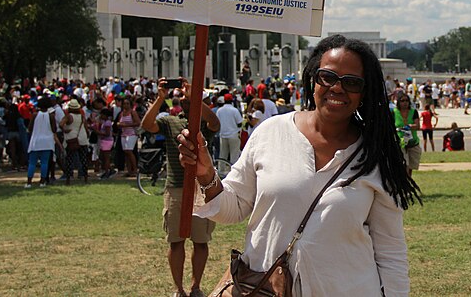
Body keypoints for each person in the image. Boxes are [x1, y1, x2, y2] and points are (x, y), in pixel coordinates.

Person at [179, 34, 420, 296]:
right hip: (267, 289)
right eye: (327, 77)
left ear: (365, 92)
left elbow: (390, 253)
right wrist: (206, 175)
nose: (337, 88)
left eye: (351, 83)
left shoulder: (376, 155)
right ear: (313, 79)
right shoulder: (271, 132)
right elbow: (232, 208)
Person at [141, 78, 221, 297]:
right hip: (175, 186)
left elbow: (215, 124)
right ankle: (178, 289)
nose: (184, 97)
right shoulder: (170, 121)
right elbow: (147, 125)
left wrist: (197, 99)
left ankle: (196, 286)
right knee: (176, 241)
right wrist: (160, 98)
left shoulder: (203, 122)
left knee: (201, 241)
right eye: (182, 95)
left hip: (200, 187)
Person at [26, 96, 58, 188]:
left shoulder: (35, 115)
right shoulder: (51, 116)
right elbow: (54, 129)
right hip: (47, 142)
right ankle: (42, 182)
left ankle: (29, 182)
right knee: (45, 162)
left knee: (32, 163)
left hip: (36, 140)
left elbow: (30, 128)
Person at [394, 93, 422, 177]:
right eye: (402, 101)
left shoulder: (413, 112)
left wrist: (409, 126)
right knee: (404, 164)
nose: (405, 103)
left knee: (411, 166)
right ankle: (404, 182)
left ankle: (408, 181)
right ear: (398, 102)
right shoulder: (394, 112)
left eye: (407, 100)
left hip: (412, 142)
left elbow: (417, 126)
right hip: (400, 143)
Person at [216, 93, 243, 165]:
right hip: (233, 135)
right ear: (232, 100)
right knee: (234, 155)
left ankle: (221, 171)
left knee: (223, 154)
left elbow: (217, 122)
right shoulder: (234, 110)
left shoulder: (219, 110)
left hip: (223, 135)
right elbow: (239, 123)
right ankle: (234, 171)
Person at [118, 96, 141, 177]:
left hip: (132, 133)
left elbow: (138, 122)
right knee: (126, 152)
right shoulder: (121, 113)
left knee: (129, 151)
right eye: (124, 104)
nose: (126, 105)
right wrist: (120, 125)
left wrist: (127, 125)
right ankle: (129, 170)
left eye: (127, 104)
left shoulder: (133, 112)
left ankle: (134, 169)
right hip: (123, 134)